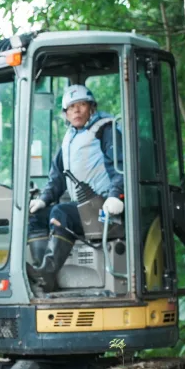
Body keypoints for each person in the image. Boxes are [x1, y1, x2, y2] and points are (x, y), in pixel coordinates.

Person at [27, 84, 125, 290]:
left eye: (81, 105)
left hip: (104, 207)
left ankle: (47, 272)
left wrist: (116, 195)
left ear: (91, 108)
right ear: (66, 113)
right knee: (36, 216)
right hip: (82, 207)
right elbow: (57, 177)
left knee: (61, 212)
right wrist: (43, 199)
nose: (76, 111)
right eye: (71, 107)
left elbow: (121, 165)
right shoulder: (70, 139)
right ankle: (44, 275)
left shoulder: (105, 130)